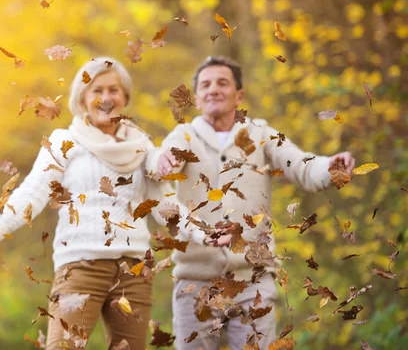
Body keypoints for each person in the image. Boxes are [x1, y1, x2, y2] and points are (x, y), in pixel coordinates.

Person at [0, 57, 207, 350]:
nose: (106, 98)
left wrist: (206, 233)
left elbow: (166, 208)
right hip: (80, 267)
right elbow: (32, 193)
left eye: (114, 90)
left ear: (125, 97)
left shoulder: (142, 146)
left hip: (133, 271)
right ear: (82, 97)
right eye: (97, 90)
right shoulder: (65, 141)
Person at [147, 55, 355, 350]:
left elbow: (303, 167)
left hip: (253, 282)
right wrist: (162, 161)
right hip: (195, 283)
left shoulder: (259, 134)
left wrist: (331, 166)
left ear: (239, 95)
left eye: (222, 83)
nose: (213, 90)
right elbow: (158, 169)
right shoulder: (184, 137)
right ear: (196, 97)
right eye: (205, 85)